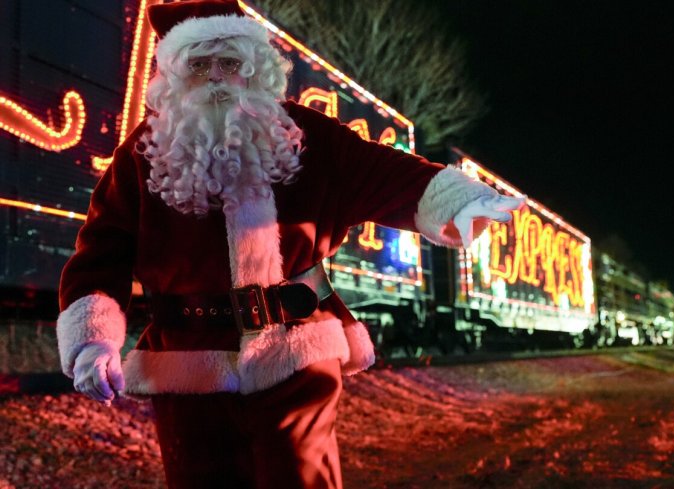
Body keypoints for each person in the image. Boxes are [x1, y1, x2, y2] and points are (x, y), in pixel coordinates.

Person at [55, 1, 523, 488]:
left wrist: (457, 200)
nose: (216, 76)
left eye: (230, 63)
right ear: (174, 75)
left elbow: (384, 174)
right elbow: (100, 254)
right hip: (188, 366)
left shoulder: (307, 136)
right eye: (198, 64)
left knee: (302, 478)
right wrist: (93, 342)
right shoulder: (142, 155)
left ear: (252, 70)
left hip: (296, 355)